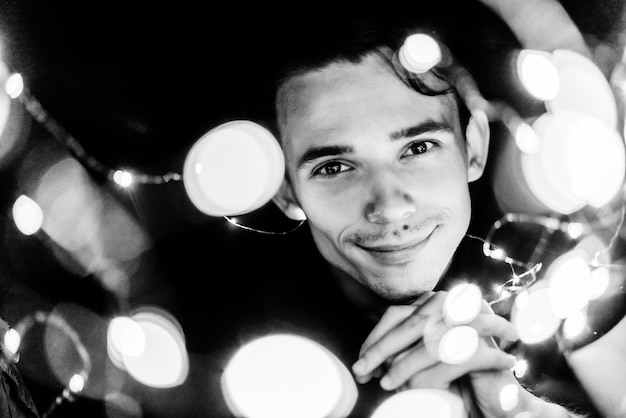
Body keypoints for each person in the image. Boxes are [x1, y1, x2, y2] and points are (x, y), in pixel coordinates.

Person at [243, 1, 610, 417]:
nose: (390, 207)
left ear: (474, 148)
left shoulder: (578, 278)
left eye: (417, 148)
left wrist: (518, 411)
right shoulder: (234, 351)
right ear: (285, 192)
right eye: (335, 167)